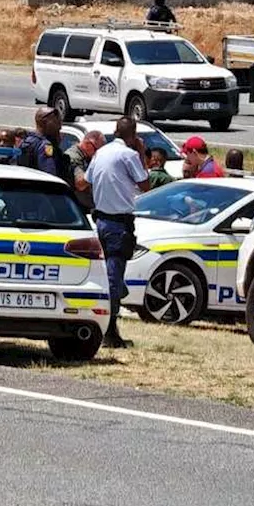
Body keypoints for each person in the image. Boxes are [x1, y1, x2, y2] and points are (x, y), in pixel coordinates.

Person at [85, 118, 152, 348]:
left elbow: (86, 182)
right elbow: (145, 185)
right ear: (133, 135)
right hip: (118, 224)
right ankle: (109, 331)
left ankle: (105, 324)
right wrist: (141, 152)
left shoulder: (100, 153)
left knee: (106, 276)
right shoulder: (129, 155)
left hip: (101, 220)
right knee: (114, 277)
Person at [18, 108, 71, 185]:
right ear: (44, 122)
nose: (60, 125)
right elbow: (50, 177)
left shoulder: (27, 140)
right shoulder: (45, 146)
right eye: (56, 121)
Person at [66, 131, 106, 209]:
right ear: (88, 144)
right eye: (97, 150)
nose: (97, 154)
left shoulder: (87, 157)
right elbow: (80, 184)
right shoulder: (74, 157)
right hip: (78, 208)